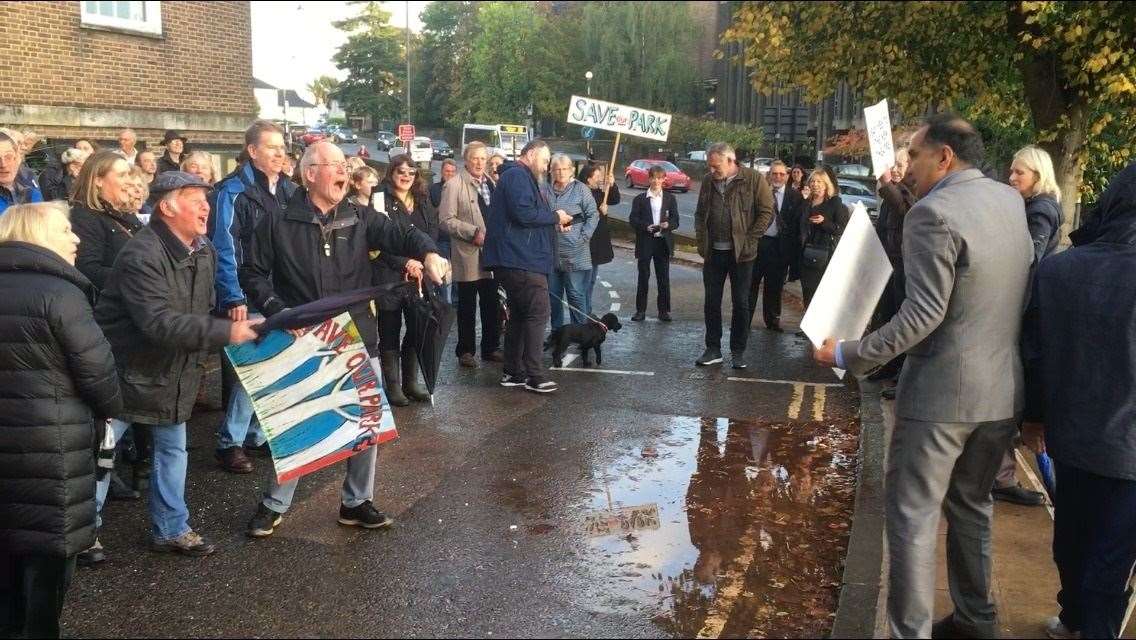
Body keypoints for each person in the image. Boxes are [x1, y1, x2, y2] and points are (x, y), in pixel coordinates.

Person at [813, 114, 1034, 639]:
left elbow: (922, 314)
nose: (906, 165)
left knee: (912, 517)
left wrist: (847, 352)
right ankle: (977, 617)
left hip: (940, 398)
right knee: (972, 505)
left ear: (945, 157)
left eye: (914, 154)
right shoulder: (1010, 201)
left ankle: (908, 631)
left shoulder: (932, 213)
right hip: (1002, 390)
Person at [239, 141, 445, 538]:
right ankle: (275, 503)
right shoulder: (277, 220)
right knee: (298, 418)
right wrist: (278, 309)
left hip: (354, 334)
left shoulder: (361, 217)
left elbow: (404, 234)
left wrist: (430, 253)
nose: (343, 172)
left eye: (344, 166)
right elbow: (253, 272)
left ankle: (356, 502)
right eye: (333, 165)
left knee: (366, 419)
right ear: (309, 173)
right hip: (302, 335)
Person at [95, 171, 263, 558]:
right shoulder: (142, 254)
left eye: (206, 198)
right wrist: (228, 331)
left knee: (173, 450)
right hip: (124, 373)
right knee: (100, 457)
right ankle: (85, 533)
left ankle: (171, 527)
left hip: (171, 372)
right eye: (195, 198)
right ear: (167, 206)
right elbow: (158, 322)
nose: (207, 206)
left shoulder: (202, 249)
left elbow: (200, 310)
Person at [1020, 161, 1136, 640]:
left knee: (1072, 534)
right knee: (1112, 552)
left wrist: (1032, 418)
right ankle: (1094, 627)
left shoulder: (1058, 268)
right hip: (1128, 446)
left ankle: (1071, 616)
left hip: (1069, 433)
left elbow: (1034, 350)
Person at [0, 202, 121, 639]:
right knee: (47, 573)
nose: (76, 239)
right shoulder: (62, 293)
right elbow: (101, 379)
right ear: (38, 236)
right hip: (53, 454)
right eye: (65, 230)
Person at [208, 120, 296, 474]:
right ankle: (229, 442)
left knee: (276, 362)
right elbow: (224, 245)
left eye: (282, 147)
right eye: (271, 147)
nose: (279, 153)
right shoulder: (231, 191)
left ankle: (258, 435)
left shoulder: (290, 190)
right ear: (252, 151)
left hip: (280, 292)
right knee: (250, 368)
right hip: (246, 292)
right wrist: (232, 296)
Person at [989, 144, 1064, 508]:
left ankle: (1001, 475)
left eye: (1020, 172)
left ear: (1038, 175)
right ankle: (999, 472)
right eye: (1012, 170)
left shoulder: (1041, 209)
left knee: (1013, 395)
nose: (1012, 177)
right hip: (1027, 307)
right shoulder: (1034, 206)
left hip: (1026, 310)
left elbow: (1026, 257)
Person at [483, 140, 573, 394]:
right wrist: (555, 216)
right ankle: (534, 374)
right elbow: (524, 214)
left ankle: (513, 371)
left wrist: (552, 223)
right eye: (545, 161)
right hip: (521, 258)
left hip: (518, 257)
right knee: (537, 313)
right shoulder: (518, 176)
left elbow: (528, 215)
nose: (546, 167)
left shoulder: (517, 176)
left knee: (521, 316)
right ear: (531, 154)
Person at [692, 142, 774, 369]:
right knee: (711, 301)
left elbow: (767, 211)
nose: (712, 171)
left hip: (742, 254)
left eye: (716, 166)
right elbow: (700, 213)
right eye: (710, 166)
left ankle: (738, 351)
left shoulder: (753, 179)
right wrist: (701, 240)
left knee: (741, 302)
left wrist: (750, 240)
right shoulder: (709, 181)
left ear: (731, 161)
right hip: (713, 252)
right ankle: (713, 348)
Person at [370, 154, 439, 407]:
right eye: (401, 171)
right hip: (388, 274)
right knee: (389, 329)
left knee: (416, 327)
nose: (406, 176)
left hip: (418, 275)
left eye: (411, 172)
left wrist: (424, 259)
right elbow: (377, 238)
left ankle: (412, 382)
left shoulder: (422, 197)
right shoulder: (378, 196)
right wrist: (403, 262)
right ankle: (394, 387)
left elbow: (431, 231)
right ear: (391, 173)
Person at [439, 141, 502, 368]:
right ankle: (465, 351)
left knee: (491, 303)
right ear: (466, 159)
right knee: (466, 306)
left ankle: (491, 347)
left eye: (482, 158)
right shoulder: (454, 185)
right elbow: (445, 220)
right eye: (474, 158)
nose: (479, 162)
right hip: (468, 254)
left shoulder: (492, 183)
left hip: (492, 254)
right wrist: (472, 232)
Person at [868, 147, 917, 397]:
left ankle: (902, 374)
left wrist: (887, 184)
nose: (895, 169)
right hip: (889, 263)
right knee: (887, 317)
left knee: (901, 319)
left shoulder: (911, 190)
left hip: (905, 264)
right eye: (892, 164)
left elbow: (904, 210)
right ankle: (889, 364)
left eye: (900, 164)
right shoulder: (892, 192)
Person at [70, 151, 144, 292]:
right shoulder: (84, 217)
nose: (129, 181)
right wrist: (140, 278)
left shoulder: (127, 214)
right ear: (98, 180)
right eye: (122, 175)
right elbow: (88, 271)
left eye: (129, 174)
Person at [544, 154, 599, 330]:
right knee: (554, 297)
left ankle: (579, 332)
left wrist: (583, 237)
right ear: (551, 171)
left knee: (575, 295)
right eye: (556, 169)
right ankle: (557, 333)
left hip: (576, 252)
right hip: (551, 252)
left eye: (564, 169)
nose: (560, 172)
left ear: (571, 170)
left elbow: (593, 214)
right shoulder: (543, 190)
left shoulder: (581, 189)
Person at [748, 160, 803, 332]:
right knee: (751, 283)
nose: (778, 177)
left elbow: (796, 225)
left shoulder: (795, 197)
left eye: (781, 174)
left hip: (780, 247)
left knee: (774, 286)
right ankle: (745, 319)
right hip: (759, 243)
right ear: (769, 175)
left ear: (787, 176)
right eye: (774, 173)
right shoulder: (759, 193)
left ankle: (772, 320)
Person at [629, 164, 679, 322]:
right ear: (649, 179)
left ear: (664, 179)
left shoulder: (670, 198)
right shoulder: (639, 199)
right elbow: (633, 219)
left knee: (663, 277)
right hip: (646, 240)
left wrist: (667, 225)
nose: (656, 181)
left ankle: (663, 311)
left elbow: (676, 220)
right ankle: (640, 311)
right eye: (653, 178)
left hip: (662, 241)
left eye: (659, 178)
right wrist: (645, 226)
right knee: (643, 276)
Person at [798, 168, 850, 308]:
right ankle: (806, 326)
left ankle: (815, 328)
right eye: (813, 181)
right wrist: (803, 201)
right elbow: (798, 222)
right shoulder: (806, 201)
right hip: (805, 252)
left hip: (823, 252)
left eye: (819, 181)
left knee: (819, 291)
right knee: (807, 290)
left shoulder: (834, 202)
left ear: (826, 184)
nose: (815, 184)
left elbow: (841, 229)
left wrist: (824, 222)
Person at [579, 163, 620, 316]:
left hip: (598, 243)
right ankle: (584, 312)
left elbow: (615, 199)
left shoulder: (598, 193)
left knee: (591, 280)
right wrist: (599, 211)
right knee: (585, 281)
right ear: (587, 179)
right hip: (587, 242)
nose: (599, 179)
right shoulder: (581, 194)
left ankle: (586, 310)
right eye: (596, 177)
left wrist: (612, 183)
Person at [428, 158, 457, 305]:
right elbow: (431, 214)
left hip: (457, 239)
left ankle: (456, 302)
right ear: (442, 172)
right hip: (442, 238)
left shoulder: (460, 188)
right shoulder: (434, 189)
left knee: (458, 272)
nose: (450, 174)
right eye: (447, 171)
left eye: (452, 171)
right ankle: (443, 302)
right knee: (443, 273)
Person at [0, 131, 44, 214]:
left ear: (17, 158)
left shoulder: (31, 187)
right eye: (20, 143)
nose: (3, 165)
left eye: (8, 157)